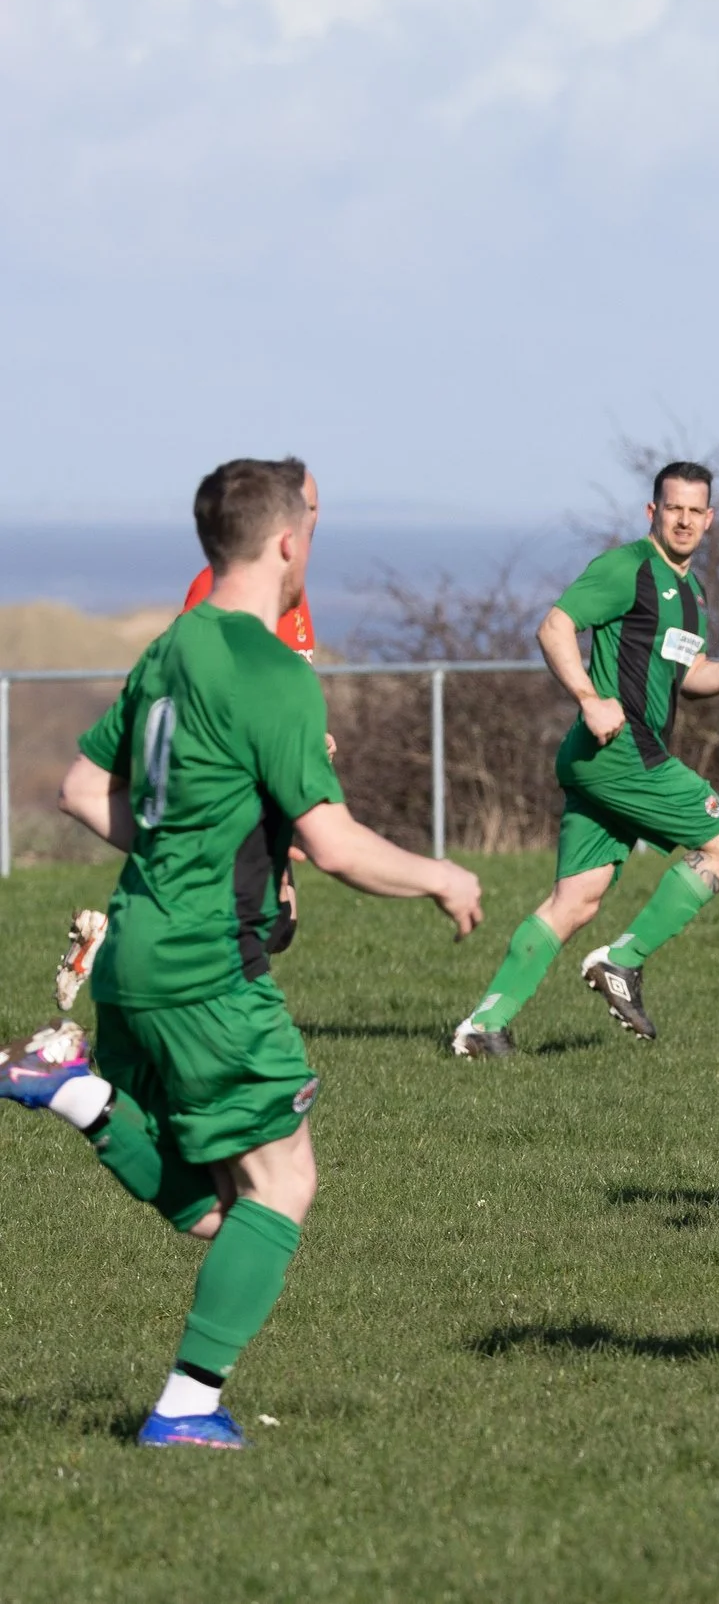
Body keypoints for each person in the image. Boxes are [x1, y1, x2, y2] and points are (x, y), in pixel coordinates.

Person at [0, 456, 482, 1450]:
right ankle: (184, 1406)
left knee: (223, 1206)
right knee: (281, 1185)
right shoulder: (274, 671)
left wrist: (179, 845)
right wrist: (442, 875)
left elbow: (83, 791)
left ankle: (77, 1089)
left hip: (136, 945)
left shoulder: (170, 647)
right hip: (208, 968)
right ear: (290, 541)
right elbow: (337, 845)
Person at [449, 462, 719, 1057]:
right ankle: (621, 962)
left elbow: (693, 676)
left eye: (693, 511)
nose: (683, 520)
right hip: (622, 752)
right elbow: (555, 627)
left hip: (601, 759)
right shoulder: (627, 568)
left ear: (709, 520)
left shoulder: (693, 595)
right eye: (671, 508)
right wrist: (587, 697)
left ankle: (482, 1027)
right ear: (653, 513)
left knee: (576, 900)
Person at [52, 474, 328, 1011]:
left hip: (264, 779)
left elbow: (282, 686)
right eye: (303, 505)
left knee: (277, 922)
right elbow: (194, 688)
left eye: (316, 506)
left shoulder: (293, 594)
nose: (311, 516)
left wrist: (311, 737)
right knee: (244, 918)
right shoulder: (221, 590)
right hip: (224, 783)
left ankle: (131, 959)